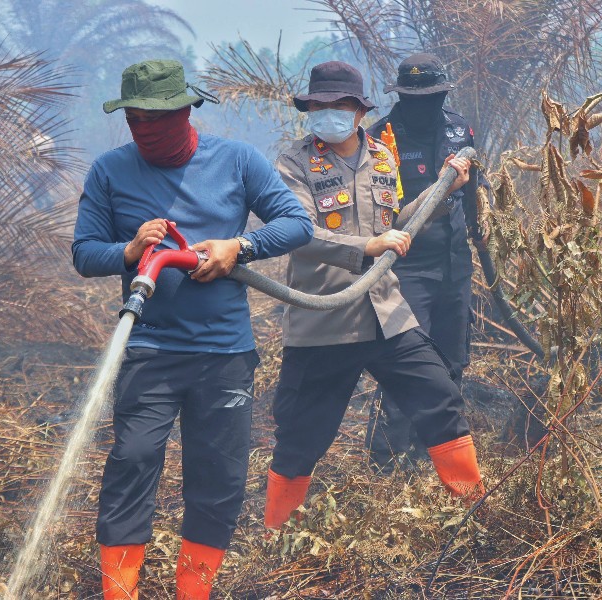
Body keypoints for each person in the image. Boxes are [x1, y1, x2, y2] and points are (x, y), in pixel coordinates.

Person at [72, 59, 313, 600]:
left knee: (219, 481)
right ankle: (120, 593)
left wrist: (239, 247)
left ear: (186, 111)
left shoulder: (236, 160)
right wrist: (129, 252)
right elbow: (85, 253)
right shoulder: (110, 171)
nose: (145, 131)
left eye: (156, 119)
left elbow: (296, 223)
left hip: (224, 352)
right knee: (131, 463)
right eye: (134, 120)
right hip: (149, 350)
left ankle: (194, 592)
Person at [263, 61, 484, 531]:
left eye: (340, 105)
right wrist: (366, 246)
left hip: (386, 313)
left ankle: (475, 512)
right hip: (325, 320)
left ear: (359, 110)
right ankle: (276, 530)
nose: (330, 113)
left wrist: (445, 192)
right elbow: (298, 232)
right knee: (303, 435)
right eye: (319, 105)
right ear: (309, 109)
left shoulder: (383, 155)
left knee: (440, 396)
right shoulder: (292, 163)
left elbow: (398, 222)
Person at [364, 53, 489, 472]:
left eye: (432, 96)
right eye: (414, 97)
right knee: (410, 365)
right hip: (404, 269)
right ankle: (388, 463)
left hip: (455, 265)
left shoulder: (459, 128)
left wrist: (480, 237)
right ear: (401, 96)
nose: (424, 104)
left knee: (451, 363)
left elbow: (474, 195)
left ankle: (434, 459)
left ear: (443, 94)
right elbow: (378, 217)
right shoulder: (379, 140)